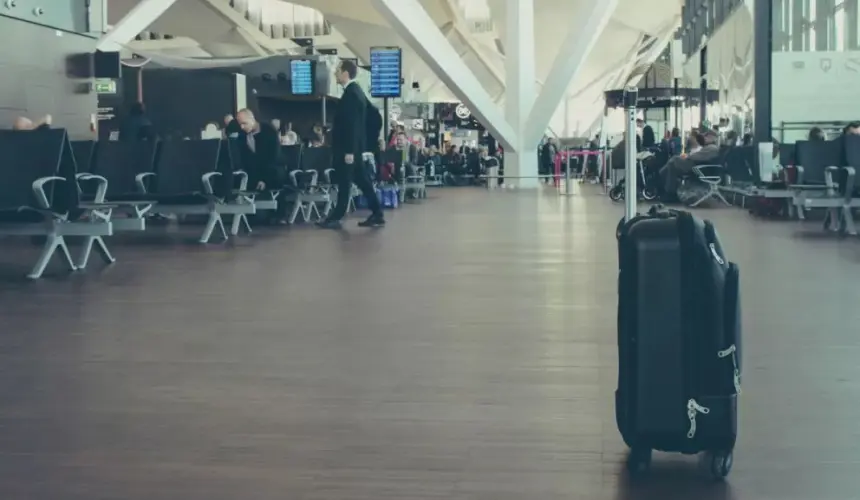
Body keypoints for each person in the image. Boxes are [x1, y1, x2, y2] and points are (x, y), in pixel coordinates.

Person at [317, 59, 384, 229]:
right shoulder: (356, 92)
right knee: (362, 181)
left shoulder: (352, 94)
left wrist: (350, 151)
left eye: (338, 70)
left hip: (349, 150)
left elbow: (353, 126)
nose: (335, 74)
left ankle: (336, 217)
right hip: (355, 149)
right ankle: (377, 213)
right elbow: (372, 118)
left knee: (345, 183)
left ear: (345, 73)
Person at [235, 109, 286, 223]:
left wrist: (264, 179)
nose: (242, 127)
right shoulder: (243, 136)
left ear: (252, 120)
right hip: (254, 170)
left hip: (273, 168)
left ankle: (279, 215)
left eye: (244, 123)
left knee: (276, 175)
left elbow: (273, 157)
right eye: (240, 124)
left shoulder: (269, 131)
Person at [660, 129, 721, 199]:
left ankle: (662, 181)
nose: (704, 138)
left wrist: (687, 156)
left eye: (707, 136)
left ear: (713, 138)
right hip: (697, 167)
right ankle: (669, 191)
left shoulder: (712, 148)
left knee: (674, 160)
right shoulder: (710, 148)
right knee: (672, 165)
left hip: (696, 168)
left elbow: (695, 157)